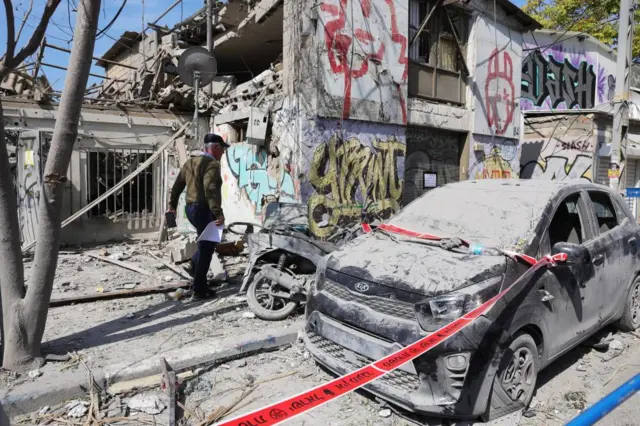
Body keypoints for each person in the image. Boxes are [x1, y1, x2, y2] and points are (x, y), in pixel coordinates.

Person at [168, 133, 228, 300]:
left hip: (191, 209)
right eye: (222, 149)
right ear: (215, 147)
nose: (223, 153)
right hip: (203, 209)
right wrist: (218, 213)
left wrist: (172, 205)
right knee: (207, 247)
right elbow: (210, 190)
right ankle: (200, 289)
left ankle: (194, 266)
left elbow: (177, 185)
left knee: (206, 245)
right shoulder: (212, 165)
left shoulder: (190, 162)